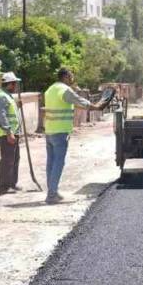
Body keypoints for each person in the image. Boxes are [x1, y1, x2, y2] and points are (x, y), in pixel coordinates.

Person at [43, 67, 104, 205]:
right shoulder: (64, 90)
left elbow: (73, 105)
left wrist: (90, 107)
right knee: (58, 163)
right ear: (65, 77)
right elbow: (78, 101)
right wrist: (96, 107)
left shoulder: (50, 90)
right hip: (60, 132)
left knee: (51, 163)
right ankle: (52, 194)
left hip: (49, 131)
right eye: (70, 76)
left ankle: (53, 191)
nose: (72, 79)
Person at [0, 72, 23, 195]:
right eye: (14, 83)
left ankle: (12, 183)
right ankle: (4, 187)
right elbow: (2, 114)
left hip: (12, 133)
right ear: (10, 84)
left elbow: (10, 112)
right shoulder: (2, 96)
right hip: (6, 134)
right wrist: (9, 131)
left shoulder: (7, 96)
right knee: (7, 160)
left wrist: (17, 106)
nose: (16, 86)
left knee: (14, 159)